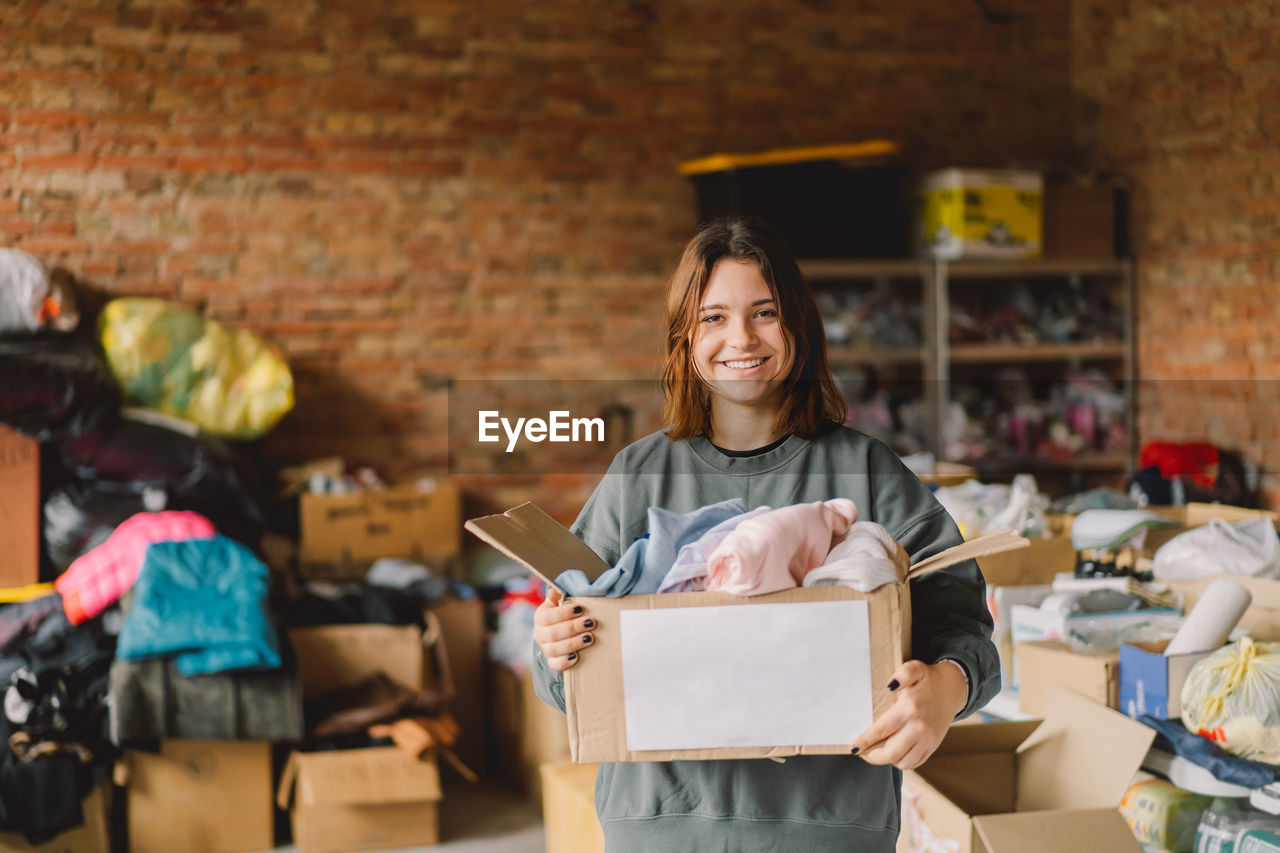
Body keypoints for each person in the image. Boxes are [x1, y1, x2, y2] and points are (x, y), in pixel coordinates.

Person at [531, 215, 999, 852]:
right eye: (714, 317)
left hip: (826, 824)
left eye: (765, 312)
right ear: (684, 338)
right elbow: (566, 669)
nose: (741, 338)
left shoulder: (866, 470)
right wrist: (554, 647)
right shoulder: (638, 476)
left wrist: (949, 686)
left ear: (798, 326)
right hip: (664, 824)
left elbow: (964, 623)